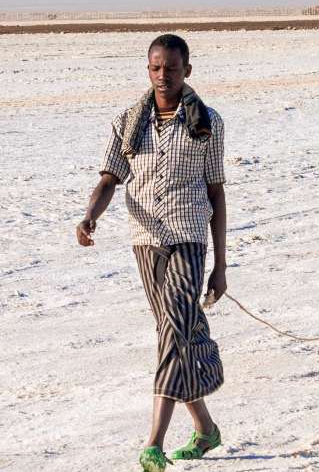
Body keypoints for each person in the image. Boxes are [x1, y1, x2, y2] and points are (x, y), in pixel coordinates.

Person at [77, 34, 228, 471]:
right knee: (175, 334)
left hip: (188, 237)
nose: (164, 76)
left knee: (171, 332)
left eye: (172, 68)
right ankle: (205, 429)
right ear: (148, 69)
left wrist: (220, 264)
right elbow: (110, 179)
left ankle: (154, 444)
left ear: (187, 71)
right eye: (156, 68)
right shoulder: (129, 121)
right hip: (144, 240)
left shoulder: (207, 123)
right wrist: (90, 217)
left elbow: (217, 192)